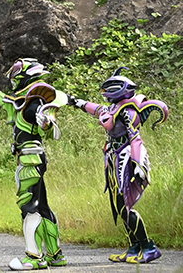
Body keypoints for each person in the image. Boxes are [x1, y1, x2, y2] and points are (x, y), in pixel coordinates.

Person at [0, 58, 67, 270]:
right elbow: (7, 100)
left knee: (29, 207)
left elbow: (45, 123)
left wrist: (45, 121)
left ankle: (34, 257)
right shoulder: (24, 99)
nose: (13, 80)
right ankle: (55, 254)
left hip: (30, 157)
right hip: (34, 157)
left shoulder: (34, 101)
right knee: (41, 205)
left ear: (25, 75)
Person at [69, 67, 168, 264]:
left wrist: (139, 163)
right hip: (113, 157)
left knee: (125, 205)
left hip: (124, 157)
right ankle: (133, 248)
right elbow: (96, 109)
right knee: (118, 204)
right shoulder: (114, 108)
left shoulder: (128, 111)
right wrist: (76, 102)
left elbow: (135, 138)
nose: (105, 92)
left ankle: (149, 247)